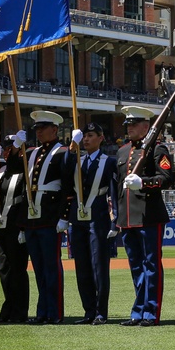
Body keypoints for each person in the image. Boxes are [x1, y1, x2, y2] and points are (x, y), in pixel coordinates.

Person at [115, 106, 173, 326]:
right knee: (136, 266)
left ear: (146, 126)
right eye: (127, 124)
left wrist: (144, 182)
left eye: (133, 124)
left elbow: (166, 178)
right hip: (127, 217)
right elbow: (118, 186)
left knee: (151, 265)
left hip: (149, 216)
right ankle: (138, 311)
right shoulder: (122, 151)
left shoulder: (157, 150)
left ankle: (151, 313)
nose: (129, 128)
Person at [64, 122, 117, 325]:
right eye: (84, 136)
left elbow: (112, 191)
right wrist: (72, 147)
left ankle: (101, 312)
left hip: (98, 217)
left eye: (91, 135)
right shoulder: (77, 160)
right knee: (82, 267)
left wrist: (114, 222)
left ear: (101, 138)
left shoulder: (108, 162)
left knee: (98, 267)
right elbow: (64, 171)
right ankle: (88, 311)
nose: (86, 139)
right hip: (78, 219)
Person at [25, 111, 70, 325]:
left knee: (51, 268)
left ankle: (55, 312)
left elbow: (67, 188)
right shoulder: (31, 153)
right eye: (37, 129)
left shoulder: (62, 152)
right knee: (39, 269)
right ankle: (42, 311)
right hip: (33, 218)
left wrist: (63, 216)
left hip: (50, 217)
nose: (39, 132)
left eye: (43, 128)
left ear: (55, 129)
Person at [0, 130, 30, 324]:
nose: (6, 153)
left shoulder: (24, 169)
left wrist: (23, 227)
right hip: (0, 225)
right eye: (5, 150)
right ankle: (8, 307)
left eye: (10, 149)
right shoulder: (0, 172)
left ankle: (20, 310)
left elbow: (26, 200)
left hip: (16, 225)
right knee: (4, 269)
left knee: (18, 269)